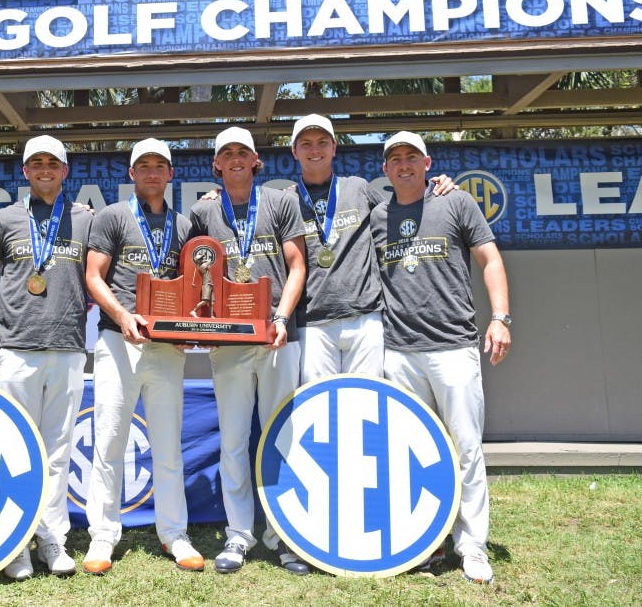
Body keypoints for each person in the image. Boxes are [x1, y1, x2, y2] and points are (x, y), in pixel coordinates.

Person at [371, 131, 512, 585]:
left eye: (412, 157)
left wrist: (501, 317)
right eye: (395, 159)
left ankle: (471, 544)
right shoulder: (376, 216)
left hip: (453, 347)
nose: (404, 164)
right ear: (387, 169)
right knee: (413, 453)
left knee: (466, 449)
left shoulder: (456, 203)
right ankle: (425, 542)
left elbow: (489, 259)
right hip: (400, 352)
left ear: (428, 163)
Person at [188, 126, 307, 575]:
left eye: (243, 152)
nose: (235, 159)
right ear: (216, 163)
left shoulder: (279, 202)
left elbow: (297, 265)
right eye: (226, 154)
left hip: (278, 336)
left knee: (282, 439)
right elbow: (193, 274)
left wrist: (281, 316)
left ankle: (283, 535)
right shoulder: (203, 212)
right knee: (234, 441)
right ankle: (239, 534)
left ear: (256, 160)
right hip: (229, 343)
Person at [82, 138, 204, 575]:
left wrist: (189, 326)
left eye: (160, 165)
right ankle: (102, 535)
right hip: (118, 341)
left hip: (165, 348)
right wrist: (122, 315)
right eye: (143, 166)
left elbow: (193, 286)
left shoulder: (184, 224)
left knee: (169, 443)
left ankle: (175, 534)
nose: (152, 172)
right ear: (131, 173)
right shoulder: (114, 217)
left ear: (171, 173)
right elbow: (94, 277)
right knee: (110, 439)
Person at [0, 134, 93, 579]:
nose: (45, 169)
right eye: (37, 163)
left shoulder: (86, 221)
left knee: (57, 451)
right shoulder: (4, 219)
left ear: (65, 171)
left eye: (54, 163)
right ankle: (14, 543)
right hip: (16, 348)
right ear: (25, 171)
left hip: (68, 348)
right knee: (14, 448)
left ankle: (52, 538)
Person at [289, 114, 456, 384]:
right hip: (312, 323)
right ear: (294, 151)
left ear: (334, 147)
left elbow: (404, 206)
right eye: (306, 143)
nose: (315, 149)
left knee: (365, 404)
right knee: (320, 408)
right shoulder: (286, 200)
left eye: (322, 142)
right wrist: (215, 195)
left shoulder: (358, 188)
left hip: (365, 318)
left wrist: (435, 185)